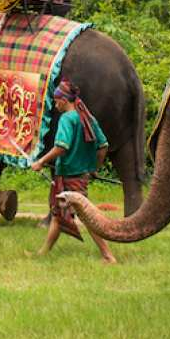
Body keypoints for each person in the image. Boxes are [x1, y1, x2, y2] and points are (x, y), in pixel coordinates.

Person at [31, 80, 117, 264]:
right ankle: (43, 253)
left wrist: (41, 161)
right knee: (58, 215)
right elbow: (103, 146)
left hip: (70, 176)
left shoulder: (67, 119)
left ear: (63, 100)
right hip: (79, 175)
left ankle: (108, 256)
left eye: (56, 101)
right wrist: (93, 167)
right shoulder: (87, 117)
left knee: (86, 217)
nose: (55, 105)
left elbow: (61, 147)